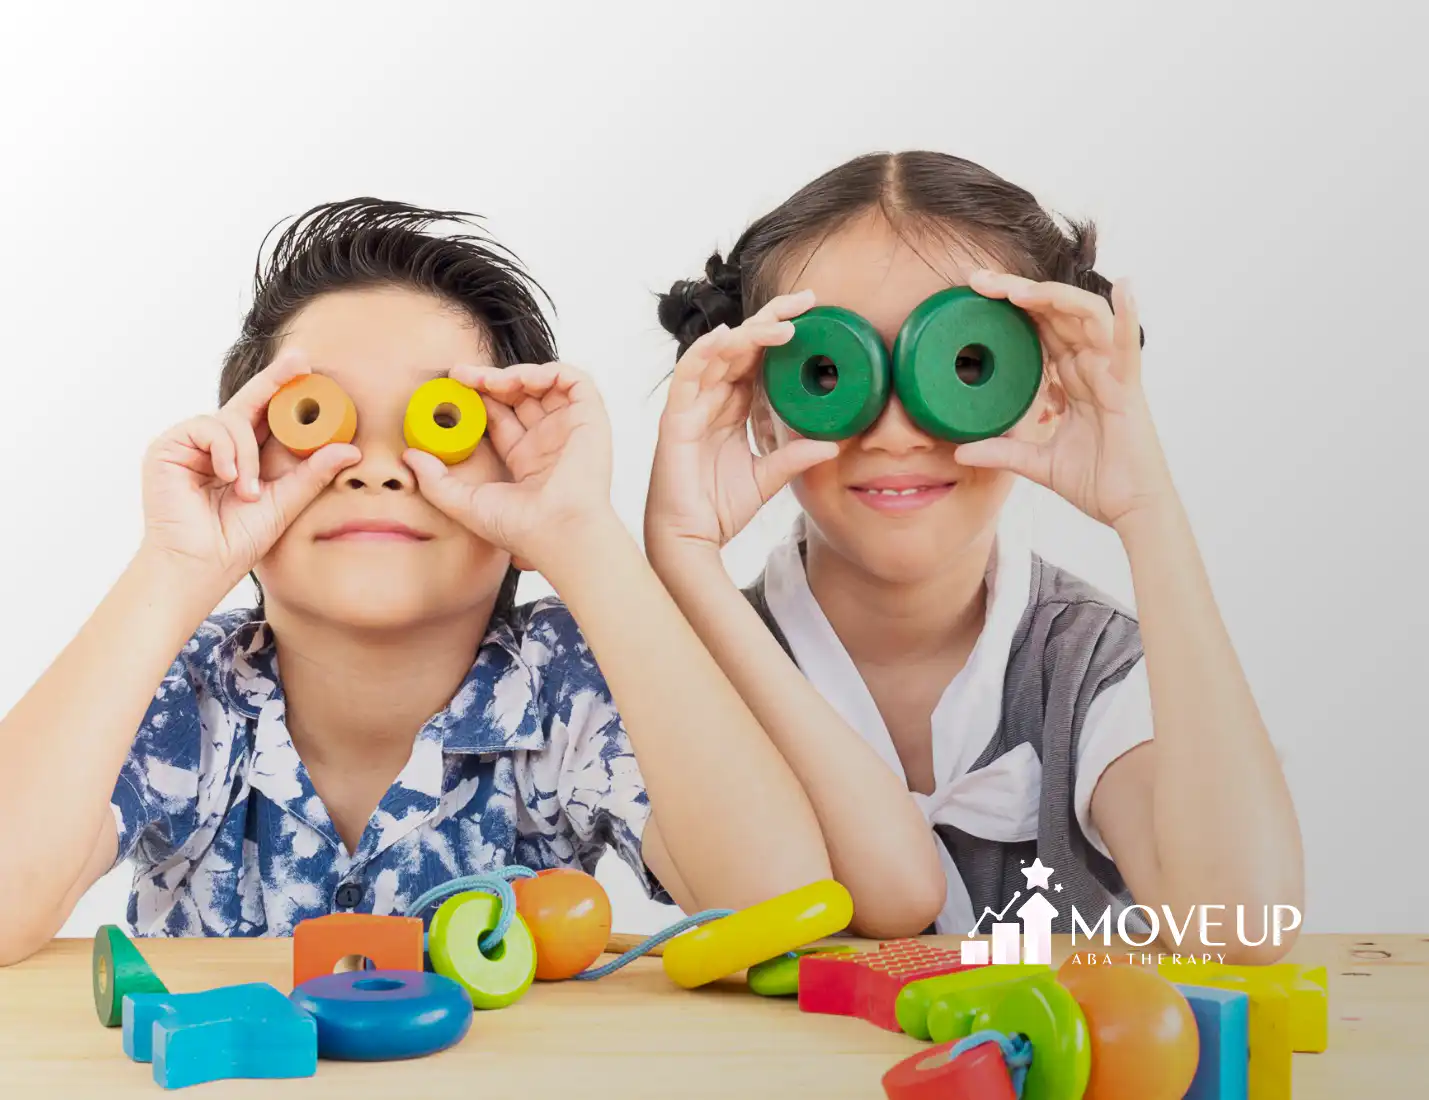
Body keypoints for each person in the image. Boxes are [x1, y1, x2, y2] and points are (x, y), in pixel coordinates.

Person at [0, 199, 829, 964]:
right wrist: (175, 566)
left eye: (441, 423)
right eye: (317, 419)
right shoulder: (188, 689)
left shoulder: (568, 684)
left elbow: (777, 912)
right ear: (239, 459)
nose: (378, 469)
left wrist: (582, 535)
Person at [645, 152, 1303, 959]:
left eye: (961, 366)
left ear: (1048, 391)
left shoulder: (1090, 668)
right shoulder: (672, 685)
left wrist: (1146, 508)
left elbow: (1243, 930)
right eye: (830, 371)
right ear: (758, 409)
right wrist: (686, 559)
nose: (894, 431)